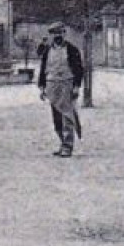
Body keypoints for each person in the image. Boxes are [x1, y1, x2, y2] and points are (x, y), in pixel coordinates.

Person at [36, 22, 85, 158]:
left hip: (67, 84)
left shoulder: (72, 50)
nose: (58, 36)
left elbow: (79, 69)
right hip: (52, 85)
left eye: (60, 33)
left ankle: (68, 145)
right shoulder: (47, 50)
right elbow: (43, 68)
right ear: (51, 35)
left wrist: (76, 87)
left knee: (67, 115)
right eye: (55, 34)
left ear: (64, 33)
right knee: (56, 116)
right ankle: (62, 141)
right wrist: (42, 87)